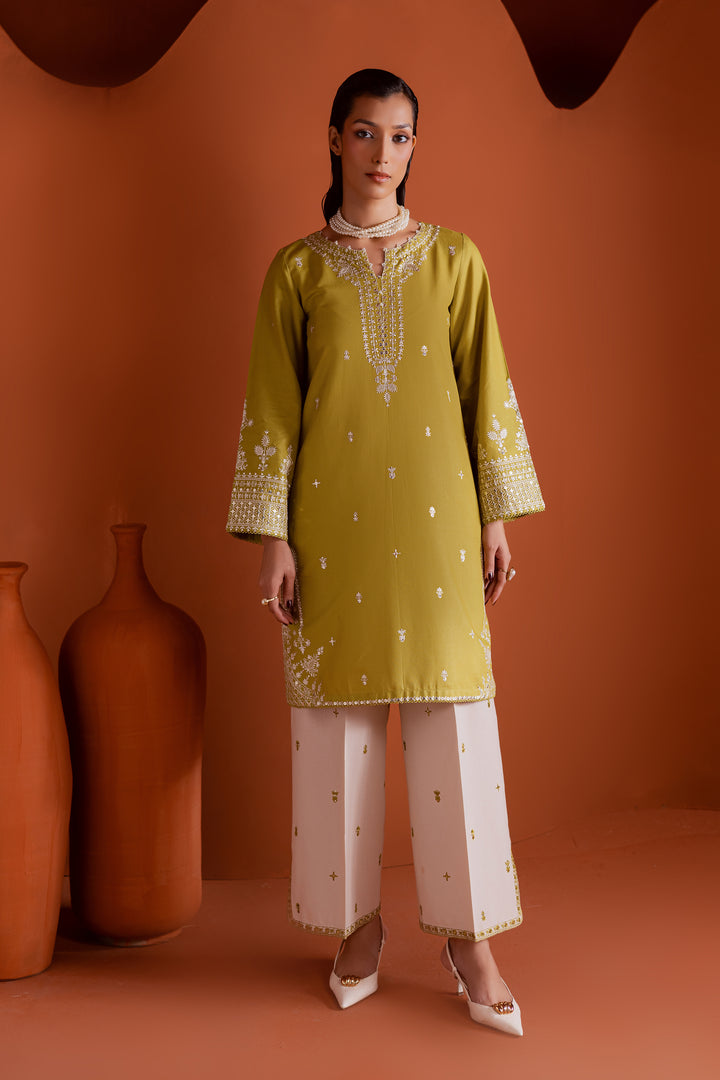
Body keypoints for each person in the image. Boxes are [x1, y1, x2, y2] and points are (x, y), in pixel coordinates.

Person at [227, 68, 544, 1035]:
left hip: (441, 525)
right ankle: (355, 928)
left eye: (401, 137)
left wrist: (495, 515)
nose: (383, 154)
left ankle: (471, 941)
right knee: (339, 727)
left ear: (414, 147)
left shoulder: (455, 260)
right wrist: (273, 536)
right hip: (333, 526)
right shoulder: (297, 271)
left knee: (456, 725)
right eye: (365, 133)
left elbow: (486, 387)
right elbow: (273, 408)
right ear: (334, 139)